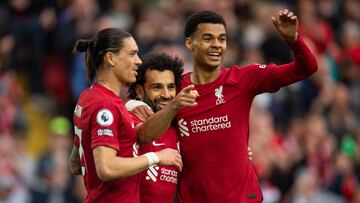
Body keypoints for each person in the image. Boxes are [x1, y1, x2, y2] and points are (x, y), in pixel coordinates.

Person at [172, 9, 318, 202]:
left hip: (242, 197)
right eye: (208, 38)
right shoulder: (174, 90)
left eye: (222, 39)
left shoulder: (243, 79)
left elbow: (307, 68)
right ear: (190, 43)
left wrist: (294, 40)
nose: (216, 45)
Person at [68, 28, 197, 203]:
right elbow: (106, 168)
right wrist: (155, 157)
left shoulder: (89, 97)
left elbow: (76, 163)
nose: (138, 61)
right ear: (110, 58)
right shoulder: (105, 105)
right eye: (132, 54)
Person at [127, 52, 184, 203]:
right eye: (157, 87)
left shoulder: (178, 126)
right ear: (140, 91)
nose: (166, 95)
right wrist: (128, 104)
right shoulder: (129, 117)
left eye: (171, 87)